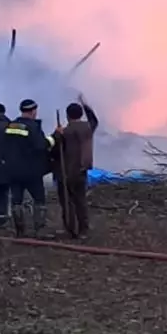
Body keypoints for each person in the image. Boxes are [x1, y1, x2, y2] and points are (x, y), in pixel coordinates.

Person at [52, 95, 99, 239]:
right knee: (81, 200)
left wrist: (56, 134)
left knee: (67, 202)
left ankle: (70, 228)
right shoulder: (88, 128)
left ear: (67, 116)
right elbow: (93, 119)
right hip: (81, 170)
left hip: (65, 172)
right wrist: (85, 104)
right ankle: (83, 229)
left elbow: (54, 150)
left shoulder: (65, 132)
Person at [6, 99, 53, 237]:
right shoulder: (33, 127)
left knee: (16, 200)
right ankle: (39, 230)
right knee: (39, 199)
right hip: (31, 170)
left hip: (14, 170)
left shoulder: (12, 124)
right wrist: (54, 137)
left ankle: (20, 231)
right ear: (33, 111)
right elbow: (40, 145)